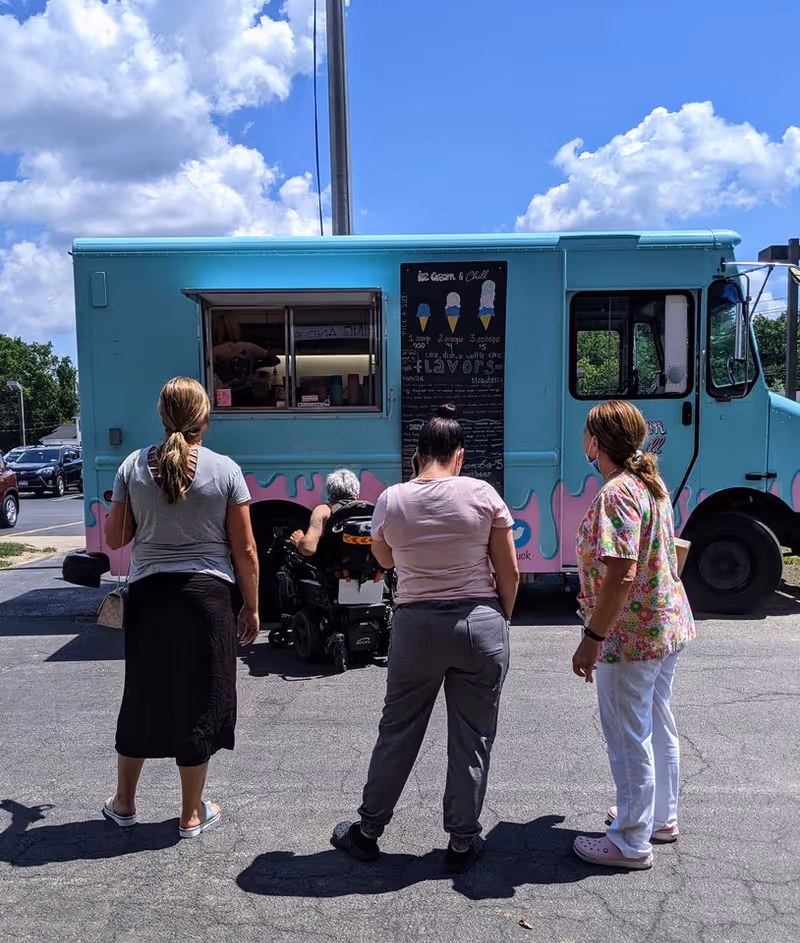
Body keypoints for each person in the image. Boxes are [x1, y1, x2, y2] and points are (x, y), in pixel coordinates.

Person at [330, 404, 520, 873]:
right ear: (459, 454)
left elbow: (386, 561)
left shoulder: (392, 500)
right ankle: (460, 842)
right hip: (478, 624)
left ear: (417, 454)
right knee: (472, 737)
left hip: (416, 628)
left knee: (398, 731)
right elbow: (509, 570)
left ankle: (368, 830)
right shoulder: (482, 493)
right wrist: (500, 619)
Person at [103, 377, 260, 839]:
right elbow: (246, 551)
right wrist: (251, 607)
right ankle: (191, 813)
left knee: (143, 695)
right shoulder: (226, 469)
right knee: (201, 698)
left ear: (161, 415)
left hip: (150, 597)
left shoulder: (132, 467)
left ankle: (125, 803)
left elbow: (115, 540)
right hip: (207, 599)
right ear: (205, 418)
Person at [571, 400, 695, 870]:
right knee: (656, 722)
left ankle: (628, 840)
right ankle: (659, 818)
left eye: (586, 434)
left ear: (597, 443)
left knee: (628, 735)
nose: (583, 441)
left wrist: (592, 636)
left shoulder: (618, 493)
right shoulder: (649, 482)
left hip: (631, 635)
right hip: (665, 625)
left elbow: (620, 573)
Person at [289, 467, 361, 558]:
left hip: (334, 568)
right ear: (357, 493)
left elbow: (308, 548)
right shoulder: (369, 509)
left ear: (329, 494)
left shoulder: (323, 511)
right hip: (371, 568)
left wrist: (298, 540)